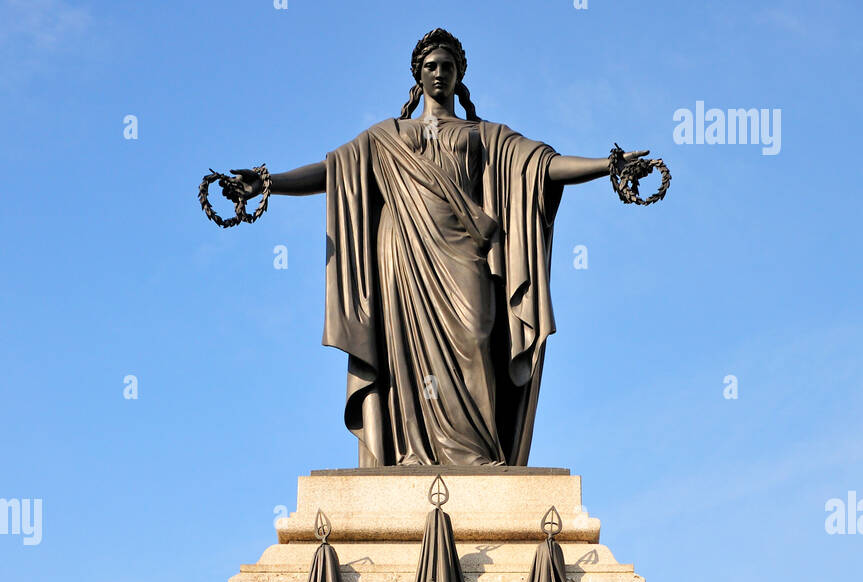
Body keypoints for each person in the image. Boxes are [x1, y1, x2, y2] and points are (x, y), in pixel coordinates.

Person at [221, 29, 650, 468]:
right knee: (408, 354)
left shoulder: (485, 135)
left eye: (447, 66)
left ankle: (476, 453)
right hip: (404, 250)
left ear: (459, 74)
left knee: (477, 335)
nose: (439, 73)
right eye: (431, 66)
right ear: (418, 76)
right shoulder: (386, 136)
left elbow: (541, 166)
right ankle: (413, 453)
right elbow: (333, 172)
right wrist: (269, 182)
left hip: (466, 251)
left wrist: (607, 164)